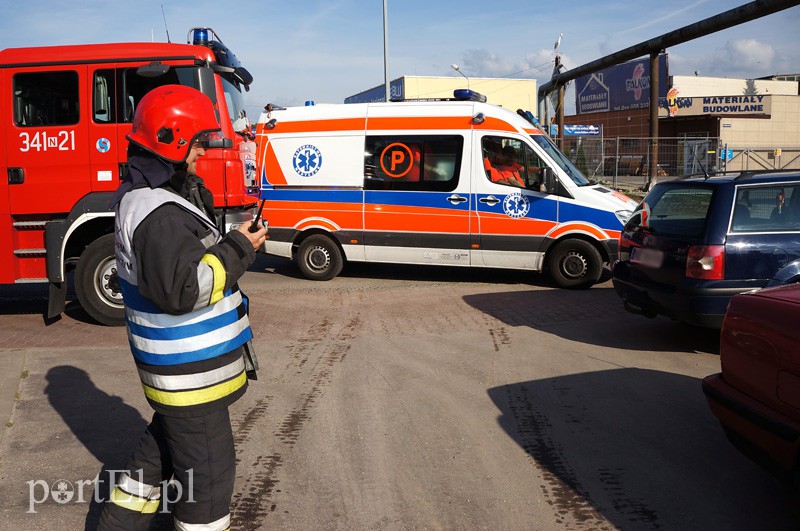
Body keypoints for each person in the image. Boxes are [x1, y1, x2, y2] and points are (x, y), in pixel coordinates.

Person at [98, 85, 267, 531]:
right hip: (191, 380)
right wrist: (240, 247)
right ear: (172, 142)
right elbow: (186, 290)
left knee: (155, 460)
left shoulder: (143, 197)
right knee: (207, 482)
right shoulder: (159, 214)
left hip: (175, 379)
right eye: (195, 144)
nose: (200, 154)